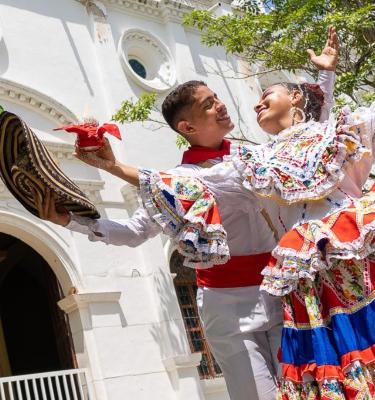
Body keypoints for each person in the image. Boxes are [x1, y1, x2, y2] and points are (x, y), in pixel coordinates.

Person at [38, 30, 339, 400]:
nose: (221, 105)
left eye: (216, 97)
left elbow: (307, 139)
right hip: (229, 310)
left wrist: (326, 75)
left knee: (307, 390)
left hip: (282, 294)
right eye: (209, 104)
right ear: (188, 127)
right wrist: (71, 221)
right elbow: (134, 231)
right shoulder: (179, 183)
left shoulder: (253, 158)